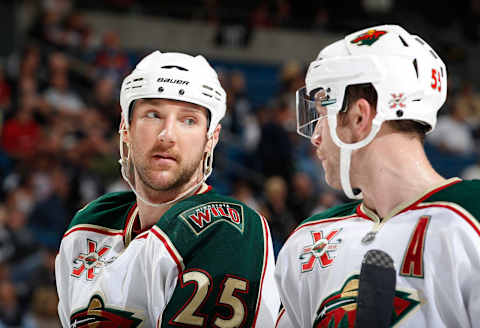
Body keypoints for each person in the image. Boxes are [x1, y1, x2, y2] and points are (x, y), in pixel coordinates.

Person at [275, 25, 480, 327]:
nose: (315, 136)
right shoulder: (308, 239)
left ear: (360, 117)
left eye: (321, 113)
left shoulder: (470, 219)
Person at [55, 51, 280, 327]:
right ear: (126, 128)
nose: (167, 135)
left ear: (211, 139)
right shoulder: (90, 225)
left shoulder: (228, 228)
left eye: (188, 120)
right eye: (153, 115)